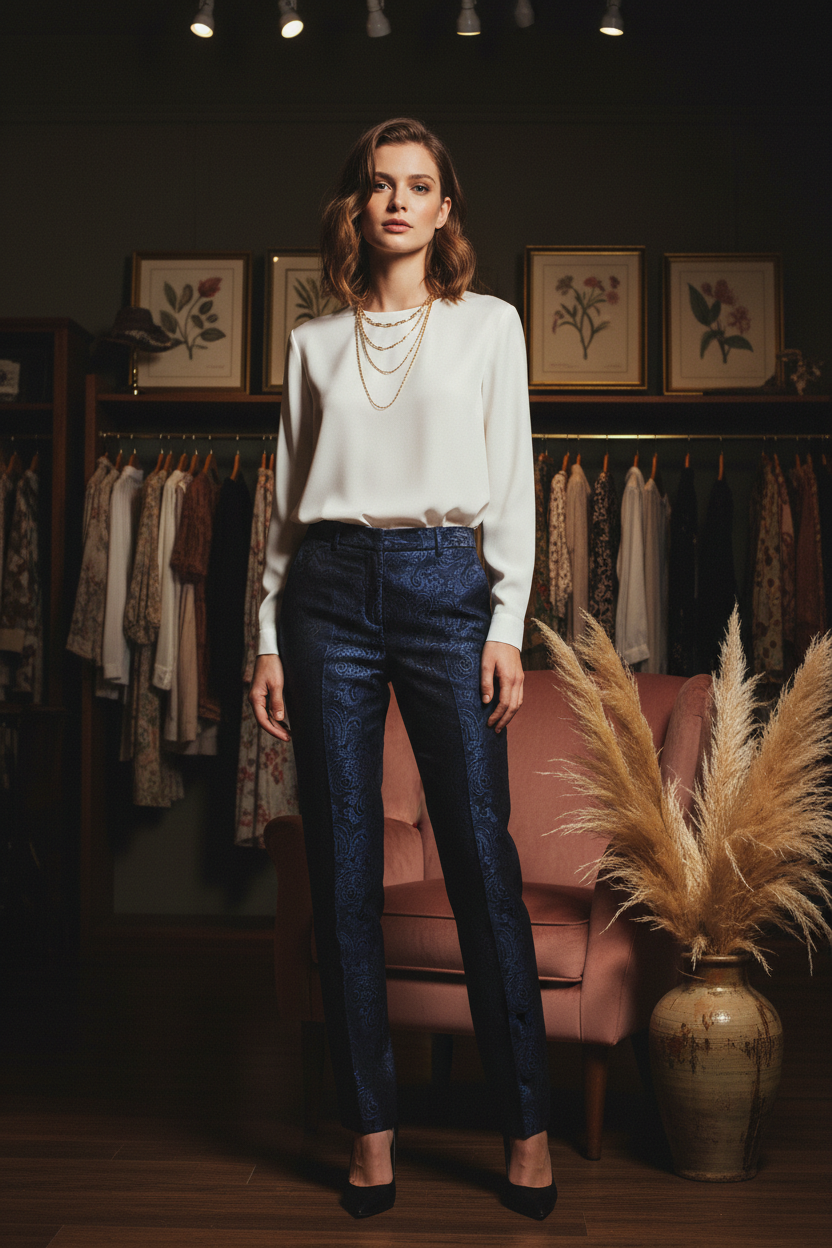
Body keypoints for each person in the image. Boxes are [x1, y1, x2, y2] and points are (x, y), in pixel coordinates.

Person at [249, 117, 556, 1222]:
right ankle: (371, 1129)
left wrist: (508, 619)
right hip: (326, 591)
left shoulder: (489, 327)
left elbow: (512, 480)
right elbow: (284, 513)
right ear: (357, 206)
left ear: (443, 211)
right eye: (379, 185)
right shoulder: (313, 345)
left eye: (417, 187)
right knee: (341, 871)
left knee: (479, 853)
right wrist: (269, 637)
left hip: (443, 588)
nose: (396, 203)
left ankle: (526, 1124)